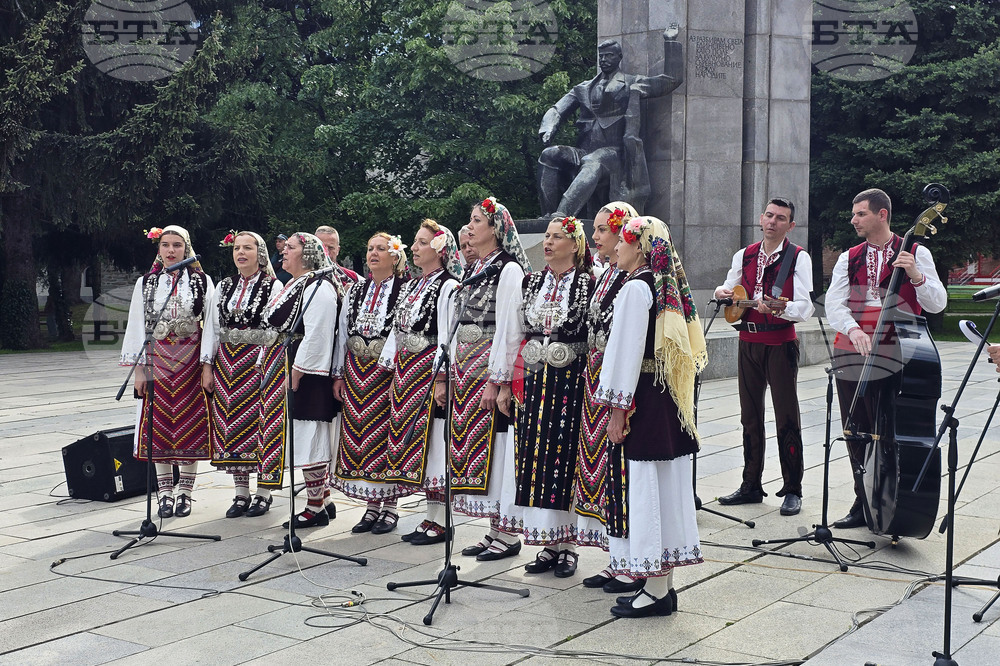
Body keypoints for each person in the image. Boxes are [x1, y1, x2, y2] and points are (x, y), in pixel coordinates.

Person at [596, 215, 705, 618]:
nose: (616, 248)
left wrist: (617, 411)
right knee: (664, 485)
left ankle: (656, 590)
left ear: (639, 247)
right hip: (666, 398)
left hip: (642, 399)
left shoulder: (634, 289)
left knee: (646, 489)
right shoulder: (660, 287)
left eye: (623, 241)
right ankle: (662, 586)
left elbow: (624, 355)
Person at [826, 188, 947, 529]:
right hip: (853, 349)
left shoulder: (916, 252)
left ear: (882, 215)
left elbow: (938, 303)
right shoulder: (847, 257)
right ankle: (862, 500)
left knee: (892, 429)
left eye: (860, 213)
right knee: (856, 428)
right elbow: (834, 304)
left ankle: (893, 498)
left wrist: (917, 276)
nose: (853, 220)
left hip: (901, 349)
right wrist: (854, 330)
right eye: (854, 214)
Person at [495, 215, 593, 577]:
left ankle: (569, 546)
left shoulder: (589, 282)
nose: (548, 243)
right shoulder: (531, 282)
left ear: (575, 244)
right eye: (547, 236)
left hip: (572, 382)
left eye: (557, 237)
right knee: (537, 458)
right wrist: (507, 383)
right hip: (535, 383)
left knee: (565, 458)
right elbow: (516, 336)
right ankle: (550, 543)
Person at [714, 198, 814, 517]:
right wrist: (721, 293)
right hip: (748, 341)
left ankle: (792, 488)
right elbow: (730, 289)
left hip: (780, 343)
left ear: (790, 225)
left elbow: (806, 306)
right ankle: (750, 485)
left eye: (780, 218)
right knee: (749, 416)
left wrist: (783, 307)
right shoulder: (744, 254)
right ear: (761, 218)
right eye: (769, 215)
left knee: (786, 417)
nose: (773, 221)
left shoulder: (798, 257)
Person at [452, 196, 532, 561]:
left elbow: (509, 328)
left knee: (498, 449)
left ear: (496, 228)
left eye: (477, 220)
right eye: (470, 220)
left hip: (489, 368)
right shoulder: (478, 267)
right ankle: (494, 528)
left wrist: (497, 381)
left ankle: (508, 531)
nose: (470, 227)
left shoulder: (508, 269)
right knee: (481, 451)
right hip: (468, 368)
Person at [120, 225, 214, 518]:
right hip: (157, 361)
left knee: (191, 425)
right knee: (158, 426)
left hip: (190, 361)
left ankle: (185, 491)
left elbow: (211, 324)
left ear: (186, 248)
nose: (171, 251)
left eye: (176, 245)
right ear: (158, 249)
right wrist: (139, 371)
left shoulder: (202, 281)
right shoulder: (146, 283)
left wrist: (207, 365)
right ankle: (164, 494)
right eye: (165, 245)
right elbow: (137, 325)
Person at [379, 220, 463, 545]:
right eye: (414, 242)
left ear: (440, 249)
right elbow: (399, 332)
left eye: (422, 242)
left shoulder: (449, 286)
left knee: (436, 441)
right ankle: (430, 516)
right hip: (407, 373)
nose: (413, 248)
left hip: (429, 372)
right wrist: (393, 373)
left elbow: (447, 334)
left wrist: (443, 379)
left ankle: (442, 521)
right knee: (422, 450)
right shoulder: (415, 285)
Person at [575, 202, 642, 592]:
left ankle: (632, 560)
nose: (596, 237)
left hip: (617, 383)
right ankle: (616, 557)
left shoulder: (632, 279)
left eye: (602, 230)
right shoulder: (606, 274)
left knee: (620, 469)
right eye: (596, 229)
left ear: (623, 235)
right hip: (595, 378)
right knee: (603, 468)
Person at [537, 38, 682, 218]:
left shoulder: (630, 83)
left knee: (593, 161)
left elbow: (670, 80)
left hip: (615, 154)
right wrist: (548, 127)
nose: (604, 59)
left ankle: (562, 215)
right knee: (549, 154)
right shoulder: (583, 88)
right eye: (601, 56)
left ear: (619, 57)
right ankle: (547, 216)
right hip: (584, 150)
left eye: (609, 56)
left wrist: (670, 42)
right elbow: (558, 109)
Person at [201, 231, 284, 518]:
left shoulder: (273, 286)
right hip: (226, 364)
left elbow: (274, 329)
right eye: (237, 248)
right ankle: (240, 492)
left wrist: (266, 363)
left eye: (248, 248)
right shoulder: (223, 286)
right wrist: (207, 365)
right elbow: (212, 328)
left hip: (256, 363)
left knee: (260, 425)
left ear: (260, 253)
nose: (241, 252)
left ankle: (263, 492)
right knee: (230, 426)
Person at [333, 233, 410, 534]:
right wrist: (338, 373)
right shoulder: (356, 290)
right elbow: (342, 332)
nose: (374, 253)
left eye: (381, 249)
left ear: (395, 256)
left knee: (386, 435)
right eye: (370, 249)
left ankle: (390, 507)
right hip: (355, 370)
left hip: (387, 371)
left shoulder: (405, 290)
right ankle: (371, 505)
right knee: (360, 435)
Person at [262, 232, 339, 528]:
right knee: (302, 435)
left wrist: (297, 371)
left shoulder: (319, 286)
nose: (283, 251)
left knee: (310, 437)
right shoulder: (297, 283)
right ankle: (324, 499)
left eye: (290, 248)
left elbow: (318, 332)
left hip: (308, 373)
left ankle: (315, 507)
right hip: (291, 364)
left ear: (307, 255)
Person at [315, 225, 359, 296]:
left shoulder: (351, 277)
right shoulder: (302, 276)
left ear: (338, 250)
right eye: (322, 248)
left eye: (331, 248)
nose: (326, 252)